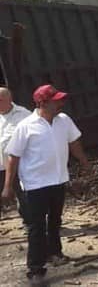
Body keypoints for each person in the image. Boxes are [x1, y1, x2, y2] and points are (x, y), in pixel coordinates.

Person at [2, 84, 92, 284]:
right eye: (56, 100)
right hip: (35, 185)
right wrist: (8, 186)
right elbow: (13, 157)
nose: (61, 103)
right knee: (36, 227)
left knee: (55, 221)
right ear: (43, 103)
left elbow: (74, 142)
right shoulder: (26, 126)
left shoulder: (64, 121)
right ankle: (35, 269)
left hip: (58, 180)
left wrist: (84, 162)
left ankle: (55, 253)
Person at [0, 87, 31, 225]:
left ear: (10, 99)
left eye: (0, 100)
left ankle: (31, 223)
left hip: (16, 164)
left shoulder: (24, 115)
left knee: (22, 194)